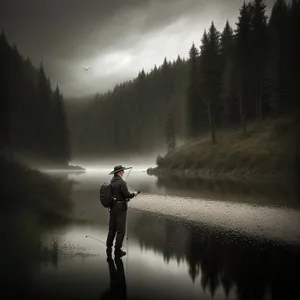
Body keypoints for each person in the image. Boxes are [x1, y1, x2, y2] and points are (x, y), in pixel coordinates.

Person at [106, 165, 139, 257]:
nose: (124, 173)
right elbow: (127, 195)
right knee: (121, 230)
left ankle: (108, 247)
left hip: (112, 208)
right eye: (123, 171)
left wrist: (124, 185)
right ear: (119, 173)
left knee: (112, 228)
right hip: (120, 208)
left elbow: (116, 193)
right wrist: (135, 193)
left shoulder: (112, 182)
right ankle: (117, 250)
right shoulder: (122, 183)